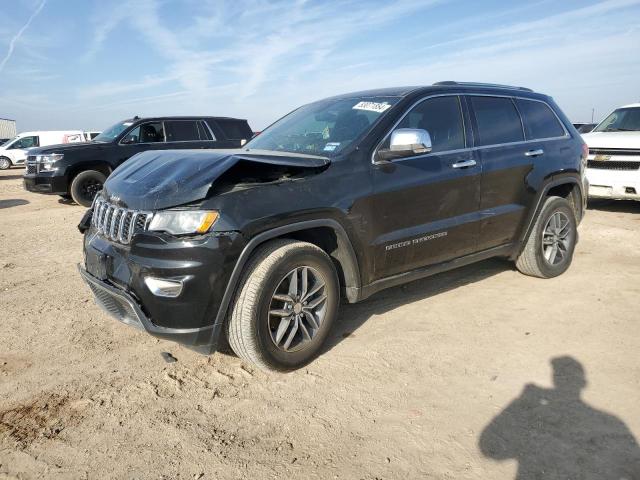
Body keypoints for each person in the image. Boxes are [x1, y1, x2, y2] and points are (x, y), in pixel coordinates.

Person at [479, 356, 640, 479]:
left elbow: (488, 448)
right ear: (583, 383)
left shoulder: (610, 422)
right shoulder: (612, 422)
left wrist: (520, 401)